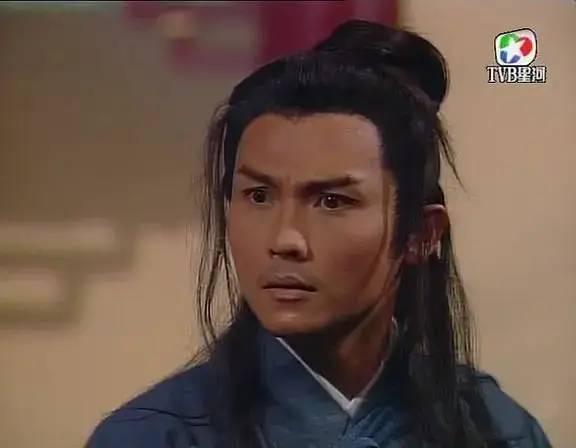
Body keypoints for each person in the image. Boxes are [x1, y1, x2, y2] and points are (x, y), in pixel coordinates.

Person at [87, 20, 552, 448]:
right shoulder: (153, 437)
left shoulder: (499, 433)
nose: (285, 240)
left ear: (420, 233)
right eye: (259, 196)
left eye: (332, 201)